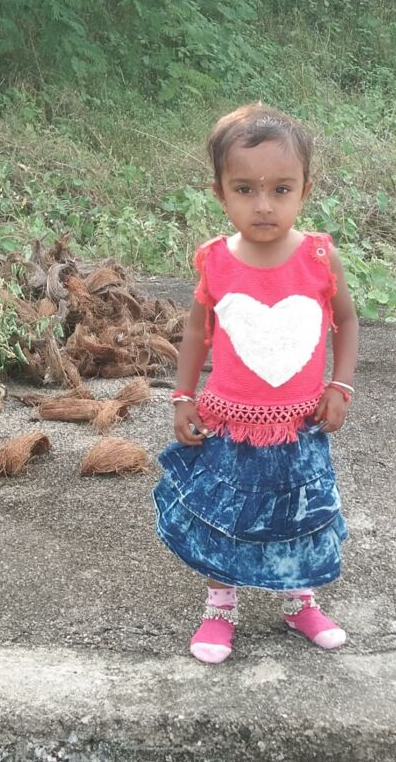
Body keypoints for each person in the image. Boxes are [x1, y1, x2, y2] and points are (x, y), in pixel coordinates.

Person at [153, 103, 359, 664]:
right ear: (220, 194)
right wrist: (183, 396)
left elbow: (347, 321)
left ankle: (299, 602)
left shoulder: (320, 257)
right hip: (227, 422)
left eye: (281, 189)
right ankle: (220, 608)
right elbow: (197, 332)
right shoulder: (216, 261)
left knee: (299, 512)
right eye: (245, 189)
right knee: (228, 516)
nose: (263, 205)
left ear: (304, 191)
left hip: (300, 424)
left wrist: (340, 386)